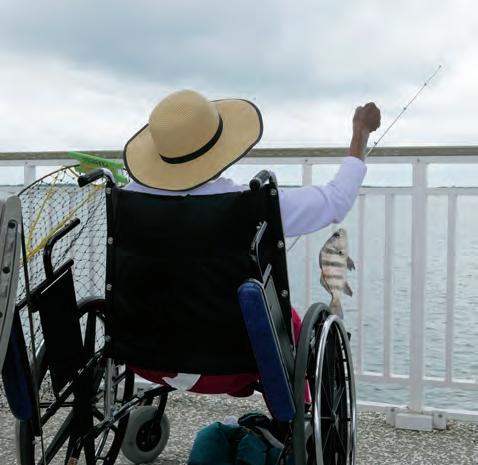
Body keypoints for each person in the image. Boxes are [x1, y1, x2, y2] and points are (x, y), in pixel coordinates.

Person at [123, 89, 380, 394]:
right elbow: (335, 200)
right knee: (283, 318)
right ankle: (297, 412)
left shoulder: (127, 200)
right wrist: (360, 133)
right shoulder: (248, 204)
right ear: (219, 149)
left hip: (142, 356)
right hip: (231, 365)